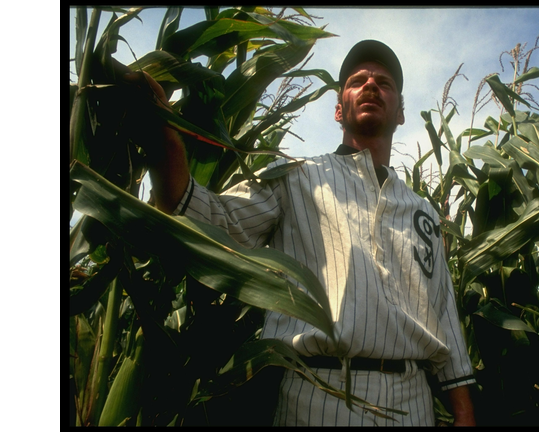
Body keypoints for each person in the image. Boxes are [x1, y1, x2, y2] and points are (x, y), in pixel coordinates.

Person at [126, 39, 476, 426]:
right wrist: (161, 132)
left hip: (413, 402)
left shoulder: (422, 212)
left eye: (385, 82)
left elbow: (444, 317)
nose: (372, 85)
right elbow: (211, 221)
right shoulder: (294, 176)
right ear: (339, 110)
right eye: (358, 80)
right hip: (316, 396)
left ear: (402, 113)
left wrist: (463, 414)